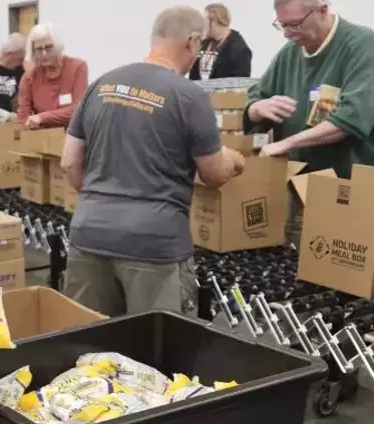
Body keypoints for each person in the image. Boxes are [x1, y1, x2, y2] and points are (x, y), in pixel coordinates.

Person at [60, 6, 244, 317]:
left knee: (88, 346)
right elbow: (213, 174)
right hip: (153, 244)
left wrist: (103, 199)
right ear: (191, 41)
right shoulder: (188, 95)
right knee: (156, 352)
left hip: (89, 233)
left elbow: (69, 162)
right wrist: (235, 159)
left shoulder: (101, 84)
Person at [245, 0, 374, 245]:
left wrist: (285, 144)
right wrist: (257, 109)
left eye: (294, 24)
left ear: (322, 10)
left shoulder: (360, 43)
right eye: (281, 25)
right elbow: (255, 98)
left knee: (341, 271)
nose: (287, 33)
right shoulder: (289, 54)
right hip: (298, 189)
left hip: (347, 188)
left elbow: (351, 119)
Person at [17, 24, 89, 130]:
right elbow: (23, 117)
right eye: (39, 49)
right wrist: (30, 124)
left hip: (73, 135)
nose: (44, 54)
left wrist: (42, 117)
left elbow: (79, 109)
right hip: (43, 138)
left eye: (48, 47)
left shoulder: (77, 67)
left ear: (57, 46)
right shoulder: (29, 78)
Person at [189, 3, 253, 80]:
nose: (202, 25)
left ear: (214, 22)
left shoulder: (239, 49)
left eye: (204, 21)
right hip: (199, 90)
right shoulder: (204, 42)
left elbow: (240, 83)